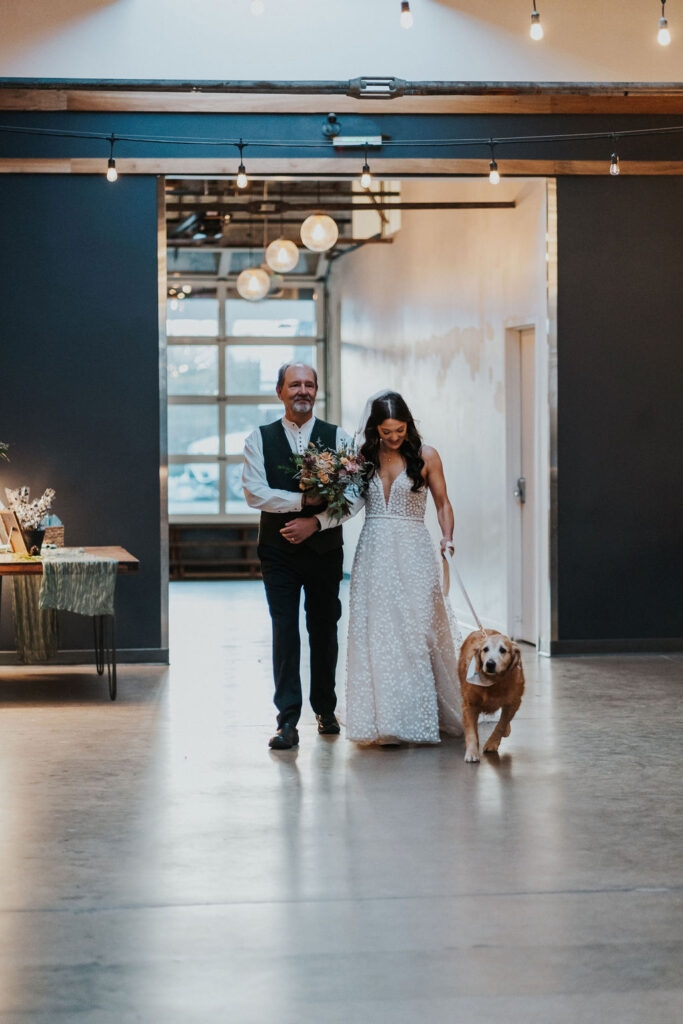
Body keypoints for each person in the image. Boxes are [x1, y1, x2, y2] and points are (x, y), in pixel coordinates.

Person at [242, 363, 352, 751]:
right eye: (294, 385)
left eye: (308, 384)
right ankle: (287, 720)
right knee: (284, 632)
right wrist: (301, 502)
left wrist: (316, 523)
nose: (302, 391)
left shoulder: (338, 438)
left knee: (324, 630)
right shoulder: (259, 438)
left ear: (316, 391)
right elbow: (254, 492)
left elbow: (352, 499)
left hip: (324, 550)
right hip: (278, 552)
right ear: (280, 391)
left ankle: (326, 709)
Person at [345, 391, 463, 745]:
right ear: (375, 429)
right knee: (377, 635)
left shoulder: (427, 456)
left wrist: (447, 537)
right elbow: (348, 501)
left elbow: (443, 503)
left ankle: (416, 718)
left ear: (408, 424)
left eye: (399, 430)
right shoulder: (364, 457)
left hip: (413, 552)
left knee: (414, 635)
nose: (394, 437)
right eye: (386, 431)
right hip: (374, 552)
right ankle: (382, 721)